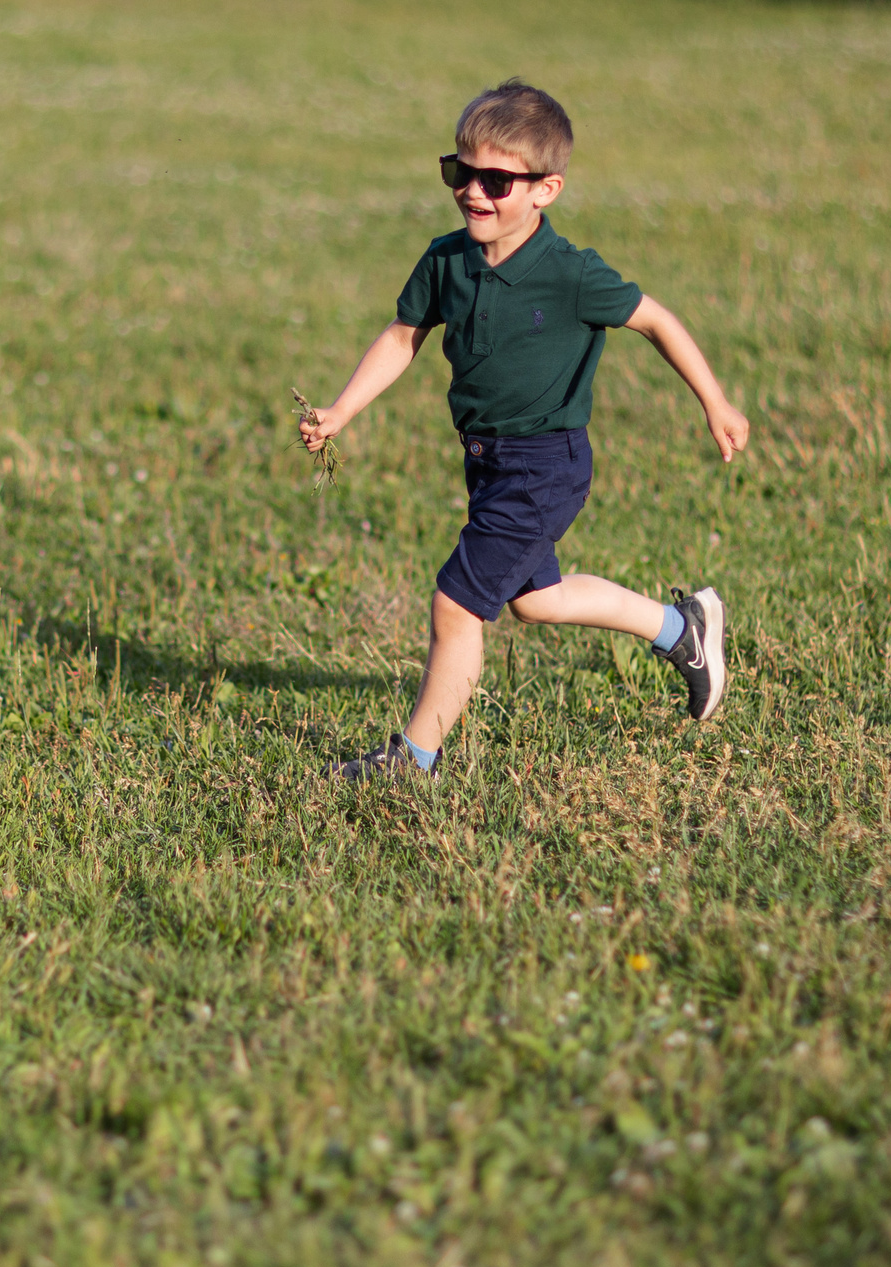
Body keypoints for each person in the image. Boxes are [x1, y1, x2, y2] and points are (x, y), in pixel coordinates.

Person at [296, 80, 749, 779]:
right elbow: (402, 336)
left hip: (545, 465)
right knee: (537, 600)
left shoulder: (570, 274)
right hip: (489, 462)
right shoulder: (447, 260)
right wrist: (342, 408)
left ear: (546, 189)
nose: (474, 191)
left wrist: (715, 402)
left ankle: (412, 761)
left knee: (457, 606)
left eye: (497, 180)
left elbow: (656, 318)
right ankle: (678, 628)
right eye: (461, 172)